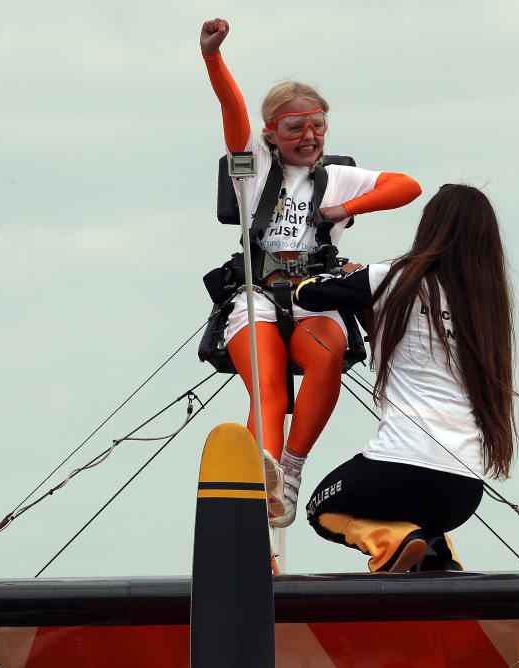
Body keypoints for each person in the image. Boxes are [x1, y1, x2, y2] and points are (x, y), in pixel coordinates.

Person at [200, 18, 422, 528]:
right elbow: (231, 110)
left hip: (316, 294)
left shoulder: (338, 177)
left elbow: (407, 186)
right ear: (271, 132)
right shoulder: (252, 162)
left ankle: (291, 468)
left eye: (317, 125)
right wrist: (213, 58)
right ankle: (264, 481)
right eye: (295, 126)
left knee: (327, 357)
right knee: (269, 386)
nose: (309, 136)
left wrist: (342, 210)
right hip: (256, 293)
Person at [293, 184, 519, 572]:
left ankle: (391, 541)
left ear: (431, 229)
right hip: (463, 491)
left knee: (321, 508)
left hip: (397, 470)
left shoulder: (390, 278)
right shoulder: (487, 310)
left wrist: (351, 276)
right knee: (418, 527)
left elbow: (305, 295)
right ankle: (438, 556)